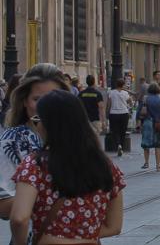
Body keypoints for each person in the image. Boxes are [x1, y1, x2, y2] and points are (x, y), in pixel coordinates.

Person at [9, 90, 125, 244]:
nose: (36, 126)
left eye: (38, 120)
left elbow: (19, 218)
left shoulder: (35, 165)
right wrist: (80, 236)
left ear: (49, 124)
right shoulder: (106, 166)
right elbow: (114, 226)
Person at [0, 66, 71, 218]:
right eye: (37, 99)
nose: (47, 106)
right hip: (36, 236)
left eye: (54, 98)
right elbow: (3, 205)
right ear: (24, 101)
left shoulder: (80, 137)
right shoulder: (13, 140)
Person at [139, 84, 160, 171]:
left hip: (147, 123)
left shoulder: (145, 99)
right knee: (158, 145)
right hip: (158, 124)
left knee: (146, 144)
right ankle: (158, 165)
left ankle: (146, 163)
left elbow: (139, 112)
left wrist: (139, 123)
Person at [105, 78, 131, 158]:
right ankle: (122, 147)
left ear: (116, 84)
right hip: (124, 113)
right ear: (123, 85)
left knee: (115, 131)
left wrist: (107, 113)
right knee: (123, 131)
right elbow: (130, 101)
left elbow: (109, 104)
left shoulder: (111, 92)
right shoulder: (125, 93)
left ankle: (118, 145)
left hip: (114, 113)